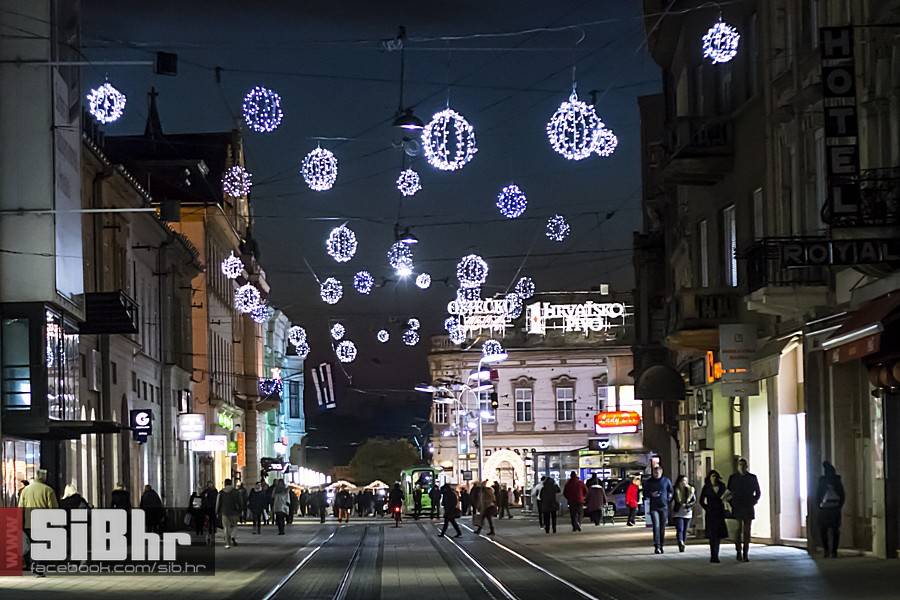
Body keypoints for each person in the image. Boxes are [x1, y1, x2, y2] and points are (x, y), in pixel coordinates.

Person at [18, 469, 58, 572]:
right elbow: (54, 509)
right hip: (43, 523)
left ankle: (33, 564)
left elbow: (20, 508)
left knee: (31, 544)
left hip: (29, 523)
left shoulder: (25, 490)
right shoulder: (48, 490)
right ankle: (38, 566)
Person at [727, 458, 761, 562]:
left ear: (746, 466)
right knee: (738, 529)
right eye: (740, 465)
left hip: (748, 505)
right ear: (738, 466)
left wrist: (753, 501)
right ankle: (738, 551)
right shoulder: (733, 478)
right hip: (737, 506)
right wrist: (731, 503)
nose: (741, 467)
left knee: (747, 530)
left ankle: (745, 552)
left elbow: (758, 492)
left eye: (743, 465)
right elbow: (729, 492)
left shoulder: (752, 478)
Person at [816, 461, 846, 559]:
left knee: (823, 530)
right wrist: (839, 506)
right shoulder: (837, 481)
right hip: (835, 509)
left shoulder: (822, 481)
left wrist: (819, 506)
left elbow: (818, 495)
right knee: (835, 530)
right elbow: (842, 495)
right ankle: (834, 551)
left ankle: (826, 550)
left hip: (824, 509)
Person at [699, 470, 729, 563]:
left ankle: (716, 554)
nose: (714, 478)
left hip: (719, 512)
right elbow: (701, 500)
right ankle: (713, 555)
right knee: (712, 535)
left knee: (718, 535)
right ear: (709, 478)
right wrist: (707, 508)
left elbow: (727, 496)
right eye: (712, 476)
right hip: (711, 513)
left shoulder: (722, 486)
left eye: (715, 476)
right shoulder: (707, 487)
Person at [644, 465, 674, 554]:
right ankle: (657, 546)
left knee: (662, 527)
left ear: (661, 472)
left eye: (658, 472)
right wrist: (651, 494)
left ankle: (661, 545)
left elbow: (671, 491)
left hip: (664, 507)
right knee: (656, 526)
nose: (656, 474)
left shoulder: (666, 481)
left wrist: (668, 498)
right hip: (654, 507)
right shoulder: (649, 482)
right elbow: (645, 493)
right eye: (655, 473)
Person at [672, 475, 696, 552]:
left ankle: (683, 544)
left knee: (685, 530)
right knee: (680, 528)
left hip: (687, 512)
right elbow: (671, 499)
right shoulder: (675, 489)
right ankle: (680, 541)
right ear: (679, 482)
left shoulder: (690, 489)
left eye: (685, 481)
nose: (684, 482)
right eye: (682, 481)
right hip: (678, 512)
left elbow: (693, 501)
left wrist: (687, 505)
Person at [217, 478, 243, 548]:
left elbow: (218, 503)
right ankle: (233, 536)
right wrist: (241, 510)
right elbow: (240, 502)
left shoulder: (221, 492)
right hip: (234, 512)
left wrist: (217, 511)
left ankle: (227, 543)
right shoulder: (236, 492)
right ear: (231, 484)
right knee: (235, 526)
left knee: (226, 527)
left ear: (224, 484)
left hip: (224, 512)